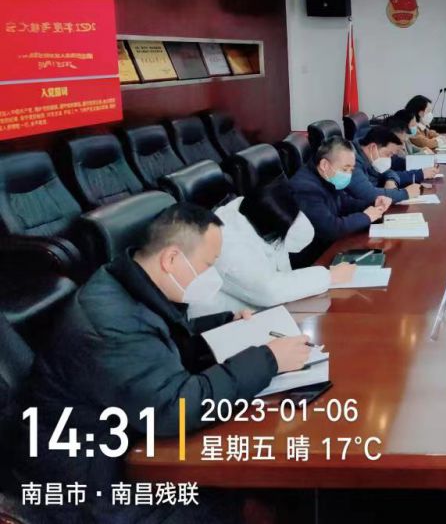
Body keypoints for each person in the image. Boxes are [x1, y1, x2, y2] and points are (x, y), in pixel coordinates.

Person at [15, 203, 311, 522]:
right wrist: (268, 360)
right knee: (249, 505)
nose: (213, 276)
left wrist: (225, 325)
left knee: (264, 486)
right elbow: (175, 410)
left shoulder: (126, 284)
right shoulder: (109, 323)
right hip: (93, 487)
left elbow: (159, 344)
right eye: (208, 265)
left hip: (124, 445)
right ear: (171, 259)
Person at [188, 179, 359, 318]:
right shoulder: (226, 242)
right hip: (223, 324)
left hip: (258, 311)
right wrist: (329, 276)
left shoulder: (257, 208)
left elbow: (302, 237)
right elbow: (269, 291)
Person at [289, 136, 390, 264]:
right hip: (313, 259)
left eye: (351, 170)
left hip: (330, 246)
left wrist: (373, 204)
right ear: (325, 165)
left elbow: (343, 203)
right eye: (345, 169)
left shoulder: (325, 177)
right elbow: (330, 228)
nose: (348, 174)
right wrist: (366, 217)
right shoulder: (305, 188)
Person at [349, 126, 421, 204]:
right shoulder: (351, 161)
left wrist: (391, 180)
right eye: (388, 154)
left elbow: (389, 172)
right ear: (373, 147)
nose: (389, 159)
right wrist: (406, 193)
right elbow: (369, 193)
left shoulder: (370, 158)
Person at [385, 114, 442, 182]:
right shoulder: (381, 159)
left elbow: (403, 163)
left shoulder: (393, 156)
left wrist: (427, 164)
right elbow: (386, 176)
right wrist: (420, 174)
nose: (402, 146)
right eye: (413, 124)